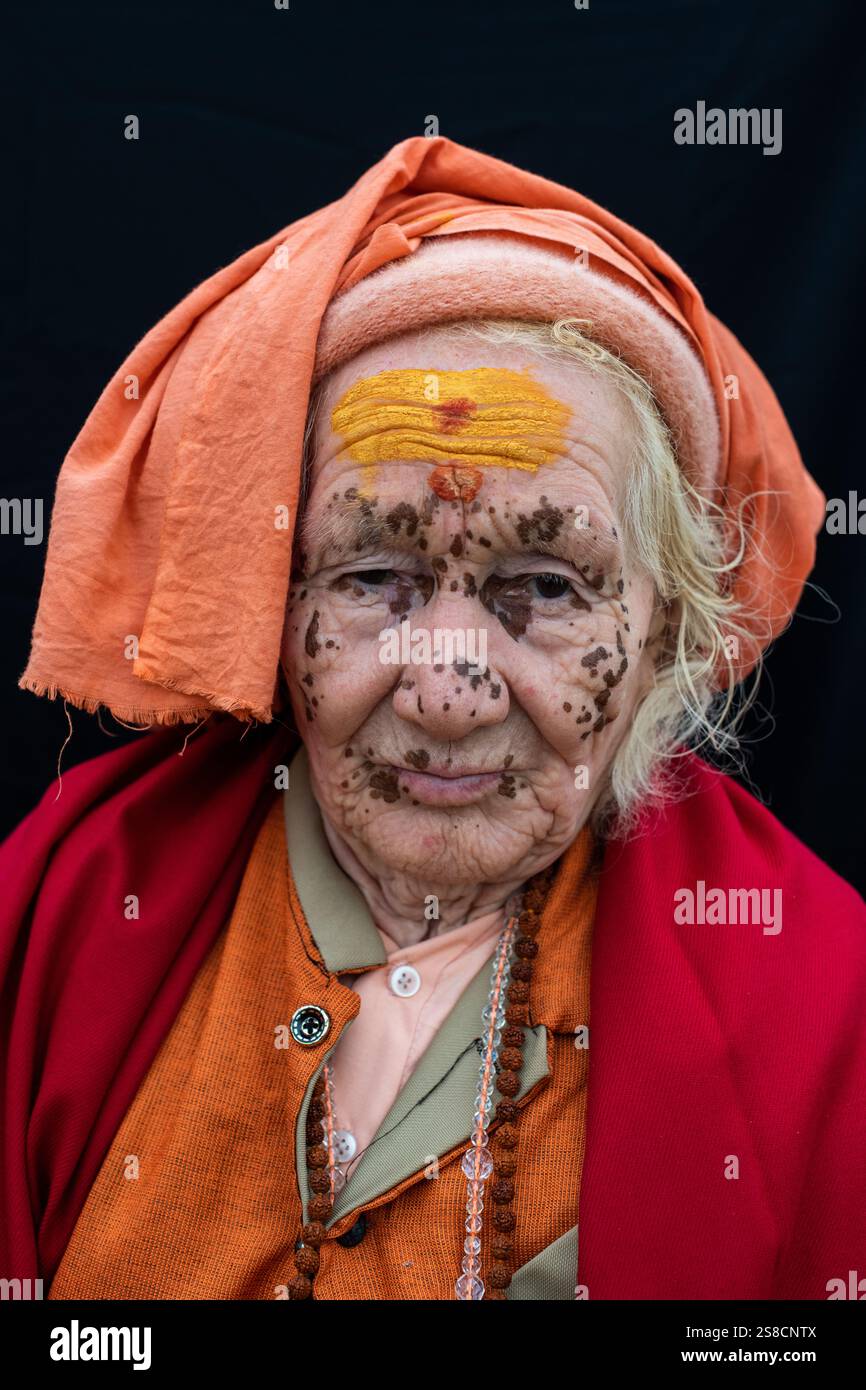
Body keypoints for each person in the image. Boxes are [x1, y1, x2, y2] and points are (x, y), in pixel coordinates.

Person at [1, 137, 863, 1302]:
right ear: (276, 598)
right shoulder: (62, 911)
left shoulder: (812, 993)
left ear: (666, 625)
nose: (444, 691)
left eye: (546, 586)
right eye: (371, 576)